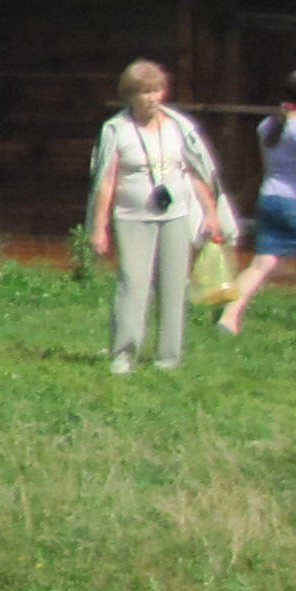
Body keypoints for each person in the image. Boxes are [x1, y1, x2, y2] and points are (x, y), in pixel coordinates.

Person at [85, 59, 225, 375]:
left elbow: (197, 171)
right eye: (145, 91)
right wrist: (98, 227)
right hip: (131, 216)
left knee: (174, 284)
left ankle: (169, 357)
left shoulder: (179, 127)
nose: (152, 97)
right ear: (130, 95)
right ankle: (123, 354)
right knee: (133, 283)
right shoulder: (116, 130)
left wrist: (211, 213)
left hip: (176, 215)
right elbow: (106, 182)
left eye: (157, 89)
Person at [218, 70, 296, 340]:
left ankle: (230, 316)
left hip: (271, 198)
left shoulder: (268, 124)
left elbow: (269, 167)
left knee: (261, 264)